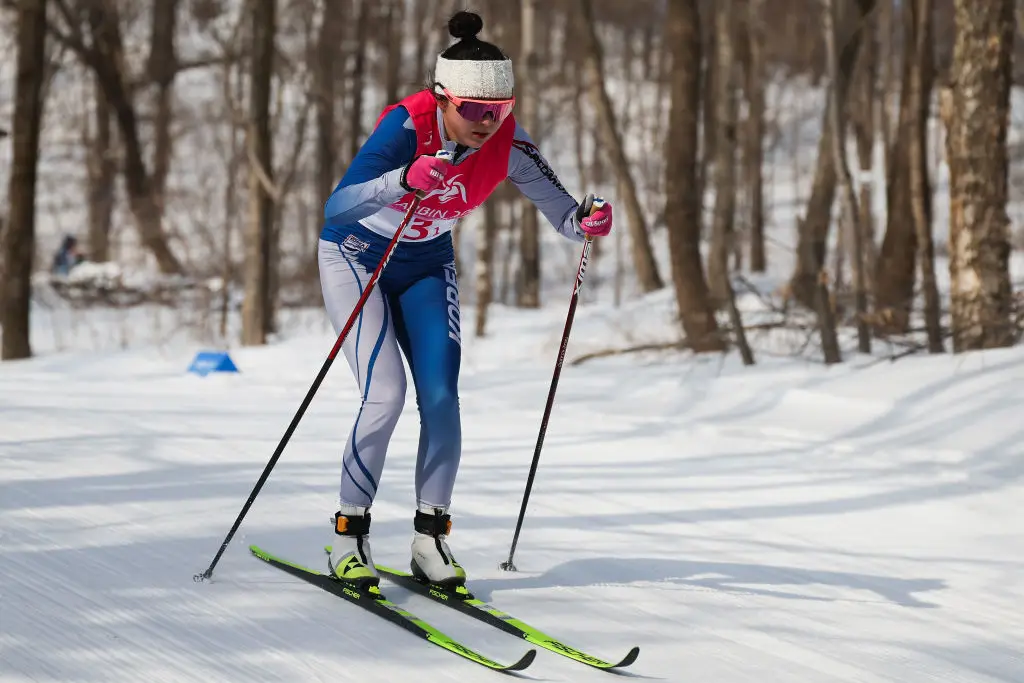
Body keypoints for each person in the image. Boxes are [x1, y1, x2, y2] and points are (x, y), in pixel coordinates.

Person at [317, 10, 613, 589]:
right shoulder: (405, 127)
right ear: (443, 99)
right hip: (358, 257)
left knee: (442, 396)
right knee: (384, 395)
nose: (488, 123)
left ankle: (430, 540)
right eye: (475, 111)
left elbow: (564, 214)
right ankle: (349, 535)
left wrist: (587, 222)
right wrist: (401, 180)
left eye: (499, 111)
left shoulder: (508, 142)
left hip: (426, 262)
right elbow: (337, 206)